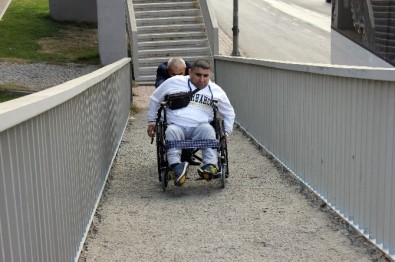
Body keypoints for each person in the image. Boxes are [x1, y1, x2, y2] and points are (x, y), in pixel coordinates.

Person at [147, 59, 235, 187]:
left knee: (208, 130)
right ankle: (177, 167)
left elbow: (229, 113)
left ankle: (209, 166)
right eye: (198, 75)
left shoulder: (215, 90)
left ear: (209, 75)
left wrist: (225, 133)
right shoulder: (174, 82)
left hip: (201, 127)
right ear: (189, 72)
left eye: (205, 76)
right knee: (171, 131)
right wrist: (151, 121)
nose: (202, 79)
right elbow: (155, 99)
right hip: (176, 125)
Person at [155, 57, 199, 165]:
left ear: (186, 70)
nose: (177, 77)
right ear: (168, 71)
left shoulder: (191, 68)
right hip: (172, 100)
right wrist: (171, 86)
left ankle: (187, 153)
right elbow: (159, 84)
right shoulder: (162, 69)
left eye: (180, 73)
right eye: (173, 74)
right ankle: (176, 156)